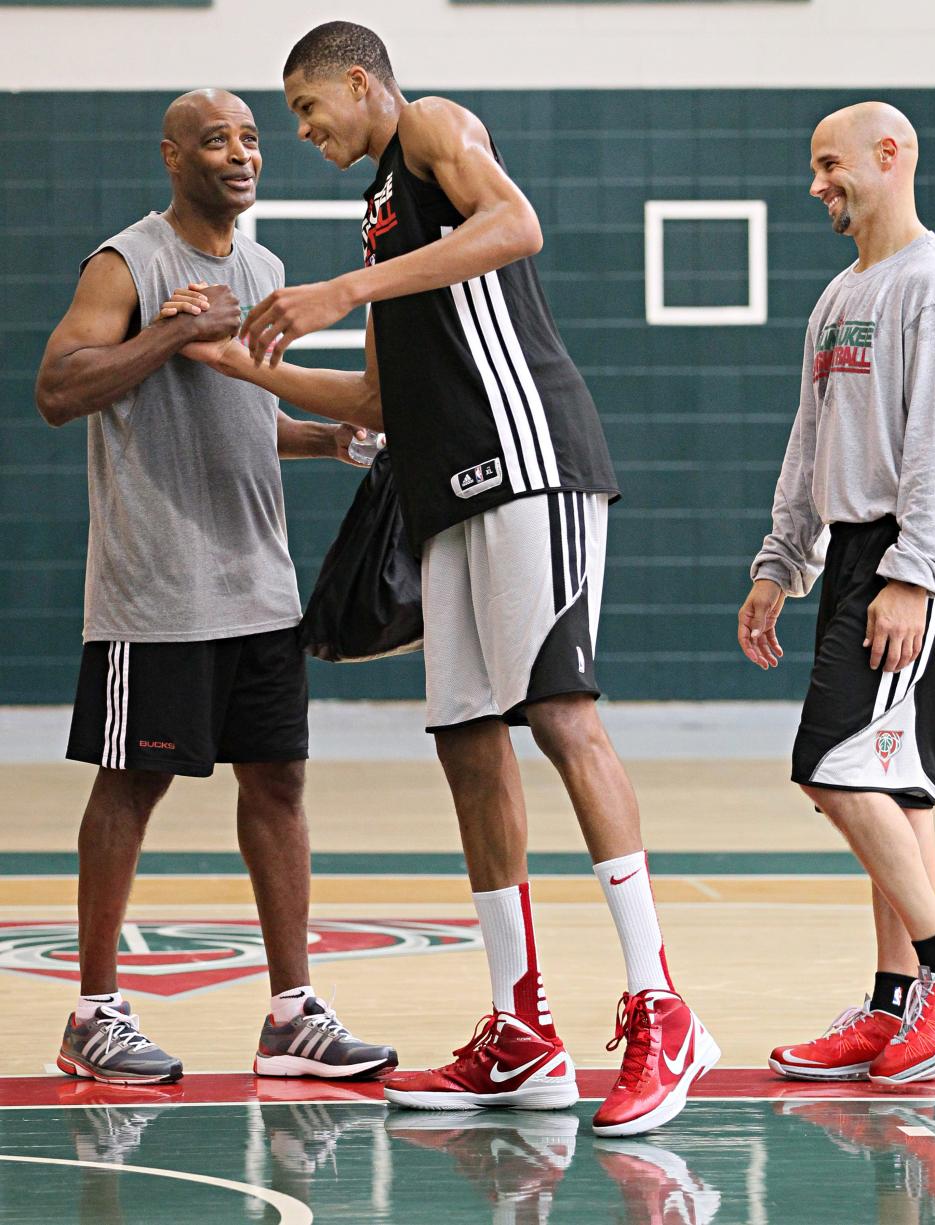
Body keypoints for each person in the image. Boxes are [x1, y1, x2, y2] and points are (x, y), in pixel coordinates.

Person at [175, 22, 719, 1137]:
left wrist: (338, 288)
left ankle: (664, 1008)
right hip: (445, 494)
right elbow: (377, 401)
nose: (303, 132)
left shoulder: (430, 128)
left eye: (307, 109)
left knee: (561, 717)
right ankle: (521, 1029)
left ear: (361, 84)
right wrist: (231, 359)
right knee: (470, 740)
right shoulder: (376, 212)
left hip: (530, 466)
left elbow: (516, 224)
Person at [35, 87, 397, 1086]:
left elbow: (235, 415)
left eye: (249, 139)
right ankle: (95, 1014)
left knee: (278, 785)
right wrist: (167, 333)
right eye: (215, 140)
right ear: (171, 156)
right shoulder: (128, 263)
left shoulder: (266, 267)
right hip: (155, 589)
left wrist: (326, 438)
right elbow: (58, 390)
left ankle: (292, 1014)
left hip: (259, 585)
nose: (240, 154)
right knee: (131, 785)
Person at [739, 102, 935, 1085]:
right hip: (852, 555)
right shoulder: (837, 296)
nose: (819, 183)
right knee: (893, 781)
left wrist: (912, 573)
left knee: (833, 766)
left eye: (832, 165)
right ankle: (890, 1001)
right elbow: (807, 436)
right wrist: (780, 561)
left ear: (892, 155)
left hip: (912, 558)